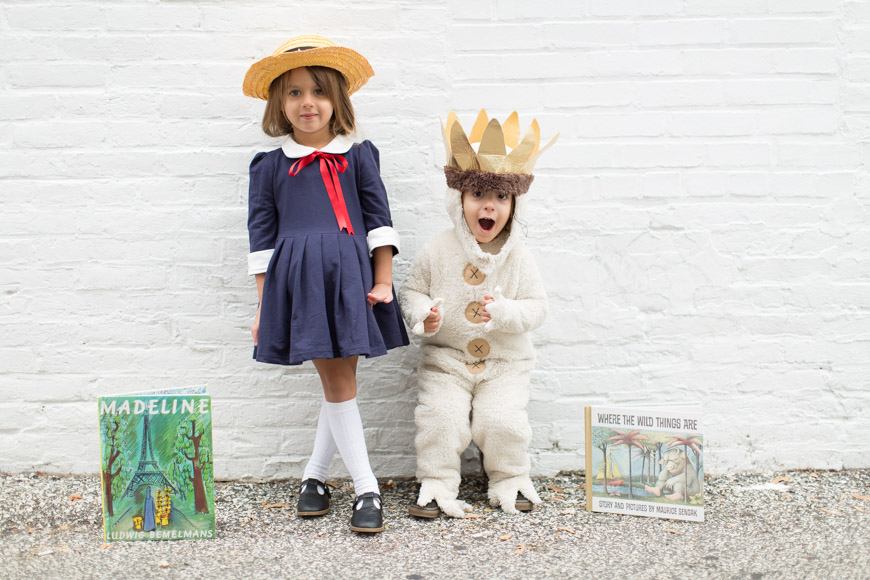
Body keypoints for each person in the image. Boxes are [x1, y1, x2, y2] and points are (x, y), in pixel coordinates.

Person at [242, 35, 408, 533]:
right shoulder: (269, 166)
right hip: (300, 283)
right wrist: (263, 306)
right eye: (294, 93)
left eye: (317, 91)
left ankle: (319, 481)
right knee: (337, 381)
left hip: (350, 278)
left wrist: (383, 282)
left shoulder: (357, 156)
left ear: (337, 100)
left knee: (339, 382)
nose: (307, 102)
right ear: (279, 103)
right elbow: (261, 239)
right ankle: (365, 487)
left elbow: (379, 222)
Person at [399, 110, 557, 518]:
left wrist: (505, 312)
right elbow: (412, 289)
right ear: (460, 201)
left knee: (502, 421)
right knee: (440, 419)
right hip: (447, 360)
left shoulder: (518, 256)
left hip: (503, 363)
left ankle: (510, 478)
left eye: (501, 198)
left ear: (512, 204)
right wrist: (423, 315)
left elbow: (538, 306)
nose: (489, 206)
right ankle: (435, 481)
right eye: (478, 197)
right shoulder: (438, 248)